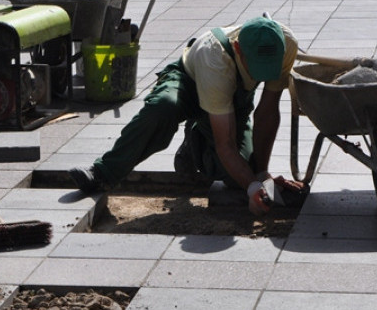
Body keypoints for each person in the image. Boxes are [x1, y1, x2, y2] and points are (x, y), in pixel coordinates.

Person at [68, 15, 306, 216]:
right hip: (189, 83)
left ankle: (195, 148)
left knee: (240, 175)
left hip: (231, 97)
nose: (263, 76)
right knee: (163, 107)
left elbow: (267, 111)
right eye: (258, 70)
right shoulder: (216, 59)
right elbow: (225, 144)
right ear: (237, 48)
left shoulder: (286, 45)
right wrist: (253, 188)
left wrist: (261, 176)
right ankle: (103, 172)